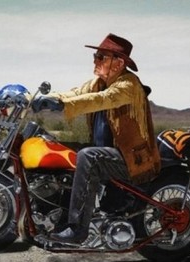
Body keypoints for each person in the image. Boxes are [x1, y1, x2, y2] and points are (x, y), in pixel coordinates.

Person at [32, 33, 161, 243]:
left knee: (88, 156)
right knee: (53, 145)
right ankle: (55, 214)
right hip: (109, 152)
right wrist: (34, 99)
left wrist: (63, 107)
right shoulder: (98, 83)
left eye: (102, 57)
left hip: (131, 159)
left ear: (118, 63)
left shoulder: (128, 85)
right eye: (96, 55)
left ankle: (77, 229)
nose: (95, 60)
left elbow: (101, 100)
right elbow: (72, 93)